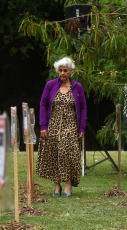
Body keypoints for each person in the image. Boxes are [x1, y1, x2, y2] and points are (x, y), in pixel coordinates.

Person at [36, 57, 87, 198]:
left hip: (71, 125)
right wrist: (43, 126)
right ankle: (57, 186)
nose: (62, 73)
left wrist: (82, 128)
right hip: (53, 124)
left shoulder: (78, 87)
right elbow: (43, 105)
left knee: (66, 152)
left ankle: (68, 184)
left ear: (71, 71)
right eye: (60, 70)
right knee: (54, 153)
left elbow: (83, 107)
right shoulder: (50, 85)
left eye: (65, 70)